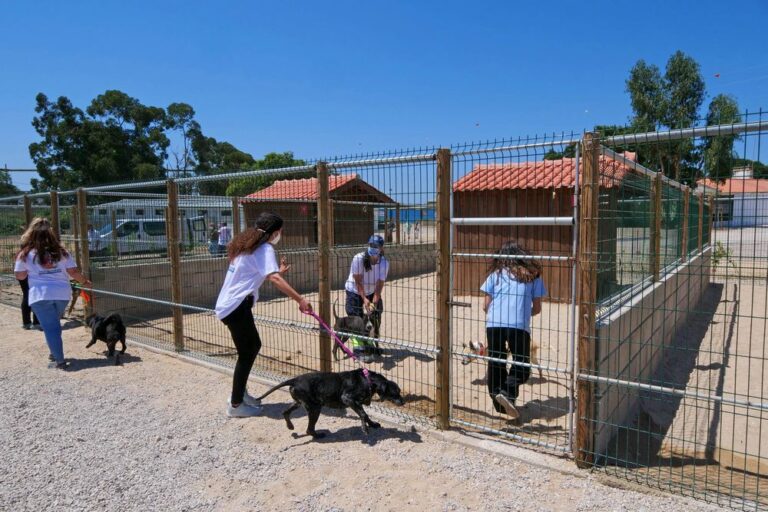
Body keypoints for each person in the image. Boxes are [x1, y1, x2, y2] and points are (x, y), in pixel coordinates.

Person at [215, 212, 312, 417]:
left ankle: (239, 393)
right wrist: (300, 300)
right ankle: (235, 404)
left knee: (249, 348)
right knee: (249, 350)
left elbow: (257, 273)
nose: (280, 235)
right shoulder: (265, 247)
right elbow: (273, 278)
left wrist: (278, 272)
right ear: (275, 232)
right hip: (236, 306)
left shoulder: (246, 246)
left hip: (230, 305)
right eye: (280, 232)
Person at [480, 240, 546, 421]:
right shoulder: (533, 275)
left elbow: (485, 305)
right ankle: (508, 393)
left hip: (494, 324)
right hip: (518, 325)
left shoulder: (496, 274)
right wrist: (523, 313)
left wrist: (497, 312)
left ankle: (499, 402)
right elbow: (537, 309)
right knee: (522, 366)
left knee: (496, 362)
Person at [14, 218, 92, 370]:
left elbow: (20, 276)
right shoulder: (61, 251)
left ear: (30, 234)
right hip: (62, 294)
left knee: (51, 328)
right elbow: (73, 271)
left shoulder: (25, 254)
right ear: (51, 234)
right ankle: (54, 352)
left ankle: (59, 361)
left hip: (40, 296)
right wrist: (85, 282)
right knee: (53, 325)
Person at [344, 235, 388, 362]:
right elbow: (358, 281)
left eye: (376, 246)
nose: (373, 248)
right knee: (356, 318)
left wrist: (374, 302)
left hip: (371, 291)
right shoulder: (358, 259)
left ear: (381, 248)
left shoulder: (384, 263)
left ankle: (370, 342)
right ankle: (358, 348)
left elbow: (379, 285)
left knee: (375, 315)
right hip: (354, 290)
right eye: (371, 245)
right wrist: (364, 299)